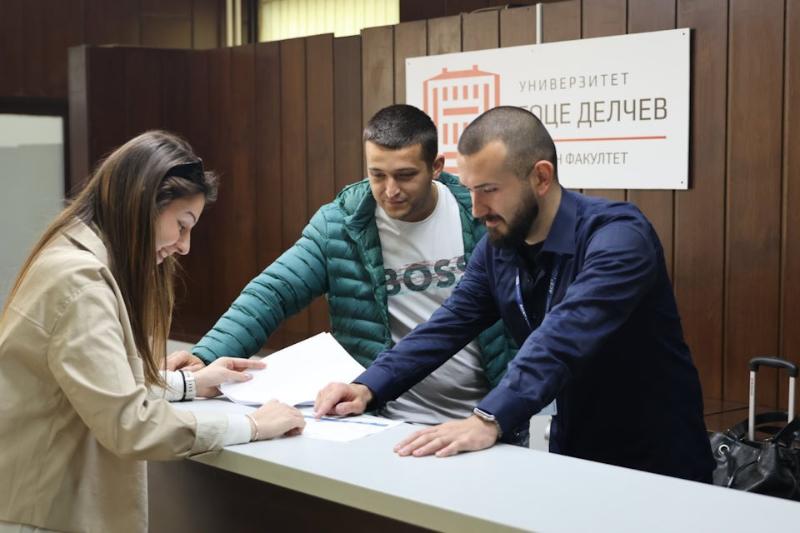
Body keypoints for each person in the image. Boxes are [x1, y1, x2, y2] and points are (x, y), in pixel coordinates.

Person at [315, 106, 716, 482]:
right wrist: (369, 386)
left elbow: (563, 336)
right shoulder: (499, 247)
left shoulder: (618, 238)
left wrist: (487, 418)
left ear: (541, 177)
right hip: (576, 448)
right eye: (470, 190)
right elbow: (447, 326)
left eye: (489, 190)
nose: (476, 209)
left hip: (657, 458)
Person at [0, 131, 305, 533]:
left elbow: (96, 386)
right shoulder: (81, 282)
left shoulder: (73, 255)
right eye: (182, 225)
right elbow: (129, 424)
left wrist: (191, 384)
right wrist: (252, 426)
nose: (184, 246)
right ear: (144, 203)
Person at [168, 105, 526, 433]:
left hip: (482, 420)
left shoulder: (481, 217)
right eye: (377, 174)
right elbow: (273, 293)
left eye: (405, 175)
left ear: (436, 167)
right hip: (382, 419)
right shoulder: (341, 225)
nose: (390, 190)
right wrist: (206, 355)